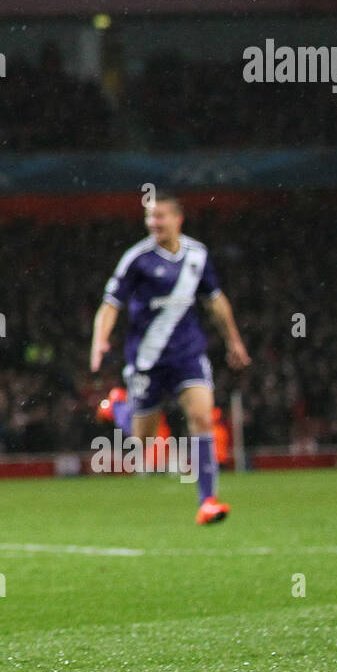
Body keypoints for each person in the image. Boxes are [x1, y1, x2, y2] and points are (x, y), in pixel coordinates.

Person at [89, 195, 249, 523]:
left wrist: (234, 341)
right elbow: (110, 304)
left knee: (202, 419)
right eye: (149, 217)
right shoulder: (137, 259)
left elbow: (215, 301)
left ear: (178, 219)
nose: (153, 223)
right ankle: (117, 406)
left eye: (160, 217)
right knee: (141, 441)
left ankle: (207, 502)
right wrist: (100, 340)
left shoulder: (197, 255)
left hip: (188, 355)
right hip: (147, 360)